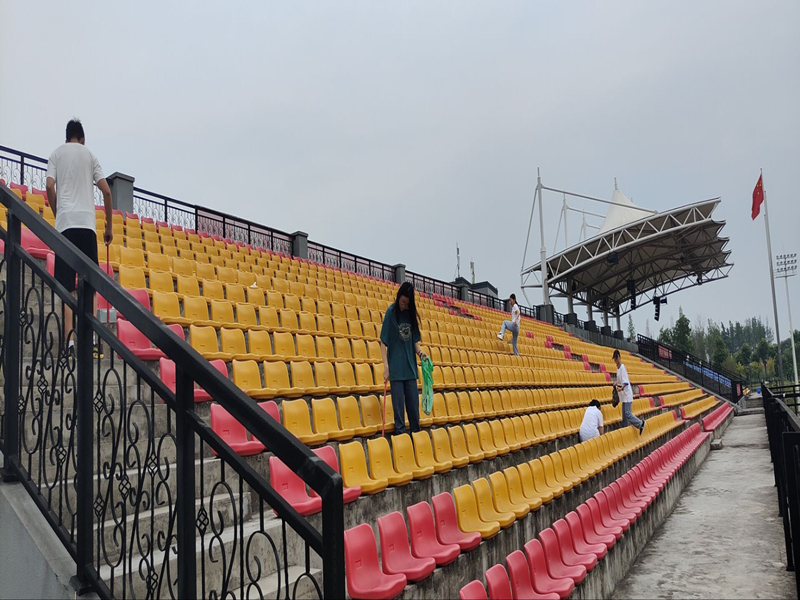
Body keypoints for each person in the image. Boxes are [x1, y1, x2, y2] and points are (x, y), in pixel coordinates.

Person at [46, 119, 113, 354]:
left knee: (67, 287)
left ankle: (70, 341)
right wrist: (109, 226)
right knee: (90, 284)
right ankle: (92, 339)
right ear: (82, 139)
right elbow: (106, 191)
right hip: (87, 225)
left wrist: (58, 213)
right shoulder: (90, 155)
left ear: (67, 137)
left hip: (66, 225)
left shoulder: (56, 154)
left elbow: (49, 186)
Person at [380, 281, 428, 435]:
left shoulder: (410, 314)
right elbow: (383, 342)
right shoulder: (391, 312)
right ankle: (401, 439)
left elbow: (414, 342)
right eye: (402, 302)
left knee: (414, 411)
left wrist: (420, 353)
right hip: (396, 371)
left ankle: (416, 439)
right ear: (398, 297)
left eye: (407, 304)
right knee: (399, 413)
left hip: (410, 370)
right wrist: (386, 366)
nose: (404, 306)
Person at [613, 349, 645, 434]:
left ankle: (640, 423)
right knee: (624, 416)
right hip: (623, 396)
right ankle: (625, 431)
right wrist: (616, 383)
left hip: (626, 394)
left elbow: (625, 382)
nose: (616, 361)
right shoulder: (618, 368)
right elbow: (620, 380)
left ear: (619, 357)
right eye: (615, 359)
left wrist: (621, 388)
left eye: (617, 358)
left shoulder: (622, 367)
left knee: (627, 413)